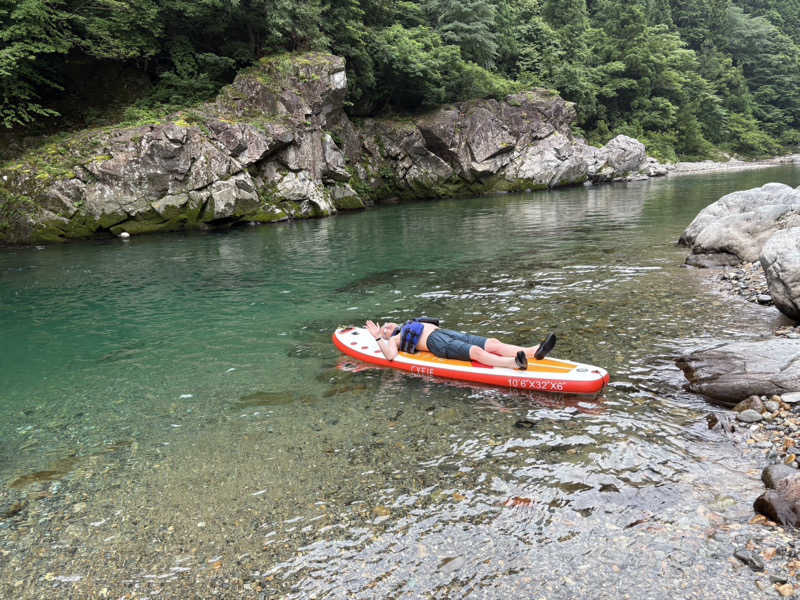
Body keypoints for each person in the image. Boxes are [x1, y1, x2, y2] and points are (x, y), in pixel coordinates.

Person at [365, 318, 556, 370]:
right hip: (436, 343)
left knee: (492, 343)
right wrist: (378, 337)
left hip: (445, 333)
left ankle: (534, 351)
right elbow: (390, 356)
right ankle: (514, 363)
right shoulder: (396, 338)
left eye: (387, 324)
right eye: (385, 329)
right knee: (475, 351)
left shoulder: (412, 322)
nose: (387, 326)